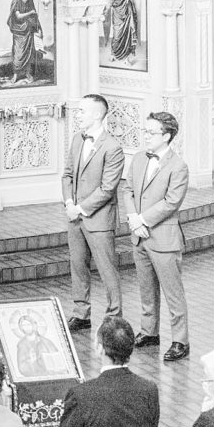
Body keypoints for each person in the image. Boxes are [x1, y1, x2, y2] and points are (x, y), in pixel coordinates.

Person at [120, 111, 190, 362]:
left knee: (173, 293)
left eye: (152, 132)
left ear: (167, 135)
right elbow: (127, 189)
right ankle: (150, 332)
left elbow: (171, 202)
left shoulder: (178, 166)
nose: (146, 136)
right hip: (139, 235)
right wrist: (133, 219)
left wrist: (143, 219)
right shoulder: (139, 158)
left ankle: (181, 340)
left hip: (163, 238)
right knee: (146, 289)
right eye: (145, 131)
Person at [60, 94, 123, 332]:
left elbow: (107, 188)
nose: (77, 115)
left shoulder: (112, 147)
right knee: (78, 266)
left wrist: (80, 208)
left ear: (97, 114)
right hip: (74, 217)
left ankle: (114, 317)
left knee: (107, 270)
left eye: (82, 111)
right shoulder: (77, 139)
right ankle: (81, 313)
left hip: (98, 219)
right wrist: (68, 202)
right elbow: (67, 175)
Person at [6, 0, 43, 85]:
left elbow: (34, 15)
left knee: (29, 53)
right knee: (18, 53)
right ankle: (15, 75)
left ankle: (27, 73)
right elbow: (18, 16)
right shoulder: (16, 1)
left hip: (29, 30)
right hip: (19, 31)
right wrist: (30, 13)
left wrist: (37, 26)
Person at [102, 0, 139, 65]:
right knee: (116, 35)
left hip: (126, 15)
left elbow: (130, 0)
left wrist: (128, 1)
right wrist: (106, 10)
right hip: (117, 15)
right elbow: (110, 1)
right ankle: (113, 54)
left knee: (126, 35)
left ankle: (126, 57)